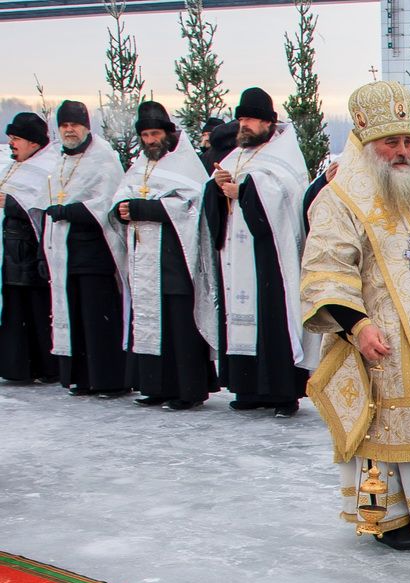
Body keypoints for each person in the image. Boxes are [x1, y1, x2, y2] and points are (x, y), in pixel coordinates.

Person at [302, 80, 410, 551]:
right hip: (382, 343)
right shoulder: (340, 200)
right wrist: (357, 326)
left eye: (406, 141)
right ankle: (389, 519)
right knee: (385, 432)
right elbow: (325, 273)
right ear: (365, 145)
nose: (402, 152)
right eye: (390, 143)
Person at [205, 87, 313, 418]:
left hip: (271, 256)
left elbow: (286, 196)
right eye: (241, 119)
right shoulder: (235, 157)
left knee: (272, 319)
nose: (245, 125)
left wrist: (244, 191)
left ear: (269, 122)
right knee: (241, 319)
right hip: (236, 256)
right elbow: (213, 200)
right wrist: (217, 188)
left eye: (251, 119)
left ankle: (283, 393)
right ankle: (248, 388)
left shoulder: (284, 155)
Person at [111, 101, 218, 410]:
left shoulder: (185, 164)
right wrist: (120, 210)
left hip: (176, 258)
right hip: (145, 259)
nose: (150, 141)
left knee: (179, 326)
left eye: (155, 134)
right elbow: (120, 197)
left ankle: (187, 391)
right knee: (151, 320)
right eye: (145, 135)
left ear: (168, 133)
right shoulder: (140, 166)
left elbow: (192, 208)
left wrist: (144, 208)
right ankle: (154, 386)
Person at [37, 104, 129, 397]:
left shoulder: (103, 159)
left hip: (95, 251)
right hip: (65, 253)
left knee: (98, 318)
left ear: (87, 127)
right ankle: (83, 378)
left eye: (75, 124)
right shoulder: (61, 159)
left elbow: (106, 203)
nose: (69, 130)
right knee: (76, 316)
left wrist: (68, 211)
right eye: (64, 125)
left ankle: (110, 380)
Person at [1, 112, 57, 384]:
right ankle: (17, 367)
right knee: (15, 311)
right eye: (10, 138)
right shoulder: (15, 165)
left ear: (34, 142)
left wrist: (10, 203)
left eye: (17, 139)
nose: (12, 144)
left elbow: (42, 206)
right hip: (12, 252)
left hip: (31, 251)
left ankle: (45, 367)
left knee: (36, 311)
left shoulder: (46, 167)